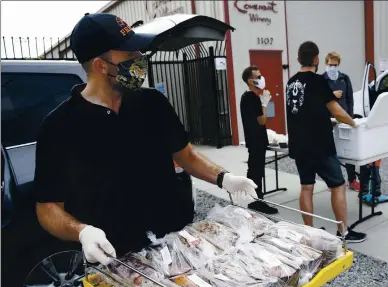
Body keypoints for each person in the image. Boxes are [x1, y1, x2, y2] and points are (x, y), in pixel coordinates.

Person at [34, 13, 259, 267]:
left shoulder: (152, 102)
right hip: (116, 260)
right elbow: (47, 207)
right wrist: (82, 232)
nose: (139, 58)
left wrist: (224, 178)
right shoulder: (59, 127)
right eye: (130, 55)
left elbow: (186, 155)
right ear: (101, 65)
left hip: (173, 246)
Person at [285, 41, 367, 242]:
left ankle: (309, 232)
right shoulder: (318, 81)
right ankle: (343, 232)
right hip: (320, 144)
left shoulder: (290, 83)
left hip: (299, 144)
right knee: (338, 185)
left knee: (306, 187)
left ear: (298, 60)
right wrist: (354, 123)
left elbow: (304, 110)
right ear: (316, 59)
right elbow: (337, 111)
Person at [239, 65, 278, 214]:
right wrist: (264, 103)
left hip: (253, 139)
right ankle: (257, 202)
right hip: (256, 140)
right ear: (250, 81)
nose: (262, 79)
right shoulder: (252, 98)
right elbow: (262, 120)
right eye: (258, 77)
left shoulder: (246, 97)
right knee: (256, 171)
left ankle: (254, 199)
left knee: (254, 169)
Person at [322, 51, 360, 192]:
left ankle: (352, 180)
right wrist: (332, 95)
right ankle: (333, 181)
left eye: (335, 65)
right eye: (330, 64)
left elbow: (350, 99)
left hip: (343, 120)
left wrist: (350, 118)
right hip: (328, 120)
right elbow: (319, 99)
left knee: (348, 150)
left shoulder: (344, 78)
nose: (333, 67)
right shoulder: (321, 80)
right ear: (326, 64)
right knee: (330, 151)